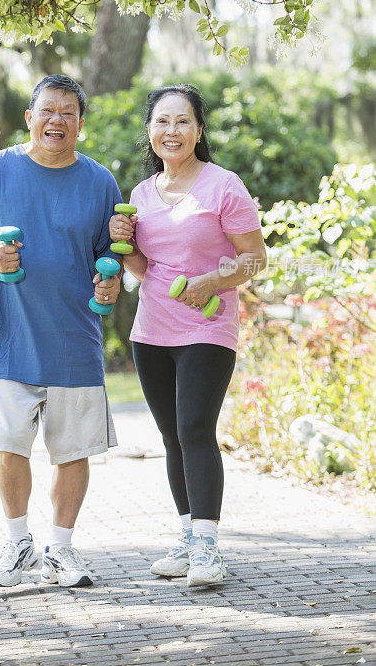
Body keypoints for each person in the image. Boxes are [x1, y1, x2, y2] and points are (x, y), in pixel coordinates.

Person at [0, 74, 122, 589]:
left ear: (80, 124)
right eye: (48, 110)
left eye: (68, 113)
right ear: (30, 118)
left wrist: (110, 285)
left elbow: (108, 255)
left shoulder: (99, 181)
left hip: (75, 340)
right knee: (10, 447)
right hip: (9, 339)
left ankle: (61, 551)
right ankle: (17, 545)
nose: (57, 120)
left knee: (72, 451)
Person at [109, 84, 267, 588]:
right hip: (152, 330)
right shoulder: (140, 195)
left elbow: (254, 259)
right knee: (172, 437)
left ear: (199, 130)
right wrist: (123, 244)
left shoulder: (224, 186)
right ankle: (185, 536)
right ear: (150, 133)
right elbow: (144, 268)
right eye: (161, 122)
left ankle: (208, 547)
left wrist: (214, 281)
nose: (171, 131)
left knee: (196, 428)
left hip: (209, 325)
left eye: (182, 121)